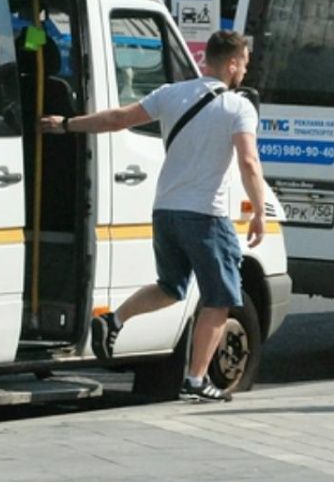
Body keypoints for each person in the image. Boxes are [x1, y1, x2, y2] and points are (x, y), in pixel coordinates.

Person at [39, 30, 264, 403]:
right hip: (207, 215)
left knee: (171, 286)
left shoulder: (172, 93)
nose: (244, 73)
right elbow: (248, 161)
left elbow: (117, 119)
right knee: (219, 300)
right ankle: (195, 380)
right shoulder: (239, 107)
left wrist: (66, 124)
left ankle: (114, 319)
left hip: (166, 211)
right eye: (244, 65)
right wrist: (258, 210)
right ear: (232, 63)